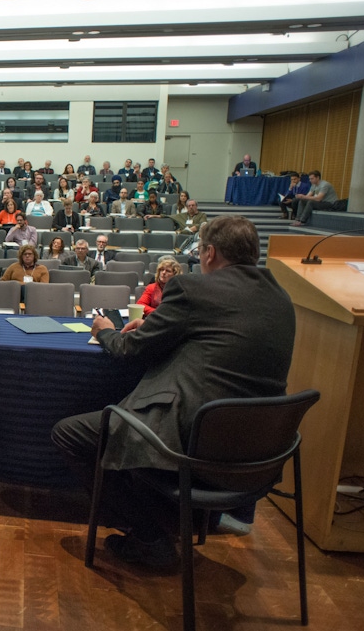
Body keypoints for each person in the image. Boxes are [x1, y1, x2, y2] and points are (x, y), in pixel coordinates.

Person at [51, 216, 294, 566]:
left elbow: (127, 350)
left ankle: (149, 534)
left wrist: (105, 330)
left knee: (69, 435)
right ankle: (177, 519)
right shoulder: (281, 299)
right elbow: (219, 338)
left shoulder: (193, 289)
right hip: (257, 453)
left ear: (209, 253)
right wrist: (155, 325)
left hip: (192, 442)